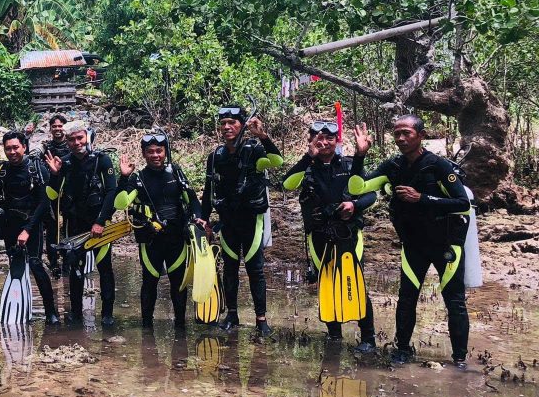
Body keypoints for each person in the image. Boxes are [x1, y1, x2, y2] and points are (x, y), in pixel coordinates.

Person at [349, 116, 472, 367]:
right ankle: (402, 350)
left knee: (454, 301)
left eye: (406, 133)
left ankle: (459, 359)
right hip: (413, 245)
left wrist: (422, 198)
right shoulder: (392, 166)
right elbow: (358, 188)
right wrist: (359, 156)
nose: (401, 139)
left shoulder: (438, 166)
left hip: (446, 245)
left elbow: (463, 204)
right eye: (397, 134)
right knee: (406, 298)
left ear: (421, 135)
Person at [282, 120, 377, 351]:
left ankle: (368, 338)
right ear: (310, 141)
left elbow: (370, 194)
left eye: (329, 138)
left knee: (356, 284)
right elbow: (286, 184)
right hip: (319, 236)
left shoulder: (350, 164)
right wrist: (308, 158)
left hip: (349, 235)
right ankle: (334, 335)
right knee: (327, 284)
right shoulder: (306, 168)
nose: (324, 142)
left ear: (337, 141)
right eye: (318, 138)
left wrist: (354, 205)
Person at [197, 106, 283, 336]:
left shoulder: (254, 149)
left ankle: (261, 320)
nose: (227, 127)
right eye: (223, 123)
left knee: (256, 269)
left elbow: (277, 162)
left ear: (242, 125)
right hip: (228, 220)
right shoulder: (216, 156)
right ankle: (232, 315)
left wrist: (263, 136)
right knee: (230, 268)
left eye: (232, 122)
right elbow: (208, 190)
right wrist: (204, 220)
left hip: (252, 219)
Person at [115, 132, 201, 329]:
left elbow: (193, 200)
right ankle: (147, 328)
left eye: (159, 151)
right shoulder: (138, 178)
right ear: (144, 155)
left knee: (178, 282)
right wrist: (124, 177)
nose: (155, 155)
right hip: (151, 240)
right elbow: (121, 203)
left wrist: (199, 218)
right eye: (150, 152)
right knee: (149, 281)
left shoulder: (176, 173)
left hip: (176, 237)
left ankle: (180, 326)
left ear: (165, 152)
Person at [0, 130, 59, 324]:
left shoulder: (37, 168)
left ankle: (51, 312)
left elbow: (44, 203)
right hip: (10, 226)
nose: (12, 152)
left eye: (16, 148)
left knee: (36, 265)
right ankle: (22, 311)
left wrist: (27, 230)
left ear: (24, 147)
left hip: (32, 225)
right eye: (8, 148)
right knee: (16, 268)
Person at [44, 120, 118, 325]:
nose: (77, 142)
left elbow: (112, 192)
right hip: (74, 224)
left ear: (87, 136)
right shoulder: (65, 162)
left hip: (99, 225)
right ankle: (75, 313)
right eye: (72, 139)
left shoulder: (102, 160)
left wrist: (101, 221)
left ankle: (107, 314)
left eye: (80, 138)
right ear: (66, 141)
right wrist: (54, 175)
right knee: (74, 267)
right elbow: (53, 196)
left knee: (104, 267)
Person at [40, 114, 72, 273]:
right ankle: (53, 261)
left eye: (60, 126)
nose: (58, 129)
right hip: (51, 191)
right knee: (52, 226)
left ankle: (67, 260)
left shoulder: (71, 145)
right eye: (55, 126)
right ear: (50, 129)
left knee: (67, 224)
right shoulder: (46, 148)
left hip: (69, 191)